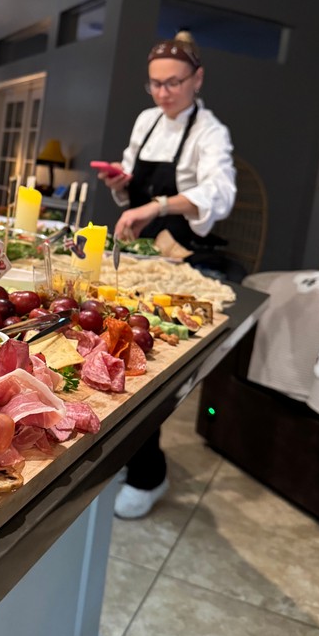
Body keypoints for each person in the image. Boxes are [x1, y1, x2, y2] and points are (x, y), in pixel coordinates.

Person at [97, 31, 236, 519]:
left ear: (198, 79)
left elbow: (219, 195)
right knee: (111, 344)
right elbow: (135, 187)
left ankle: (148, 472)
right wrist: (121, 185)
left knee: (148, 359)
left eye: (173, 83)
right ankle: (125, 451)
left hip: (179, 256)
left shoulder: (210, 132)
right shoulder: (146, 121)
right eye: (154, 84)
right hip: (139, 253)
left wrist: (156, 205)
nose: (162, 94)